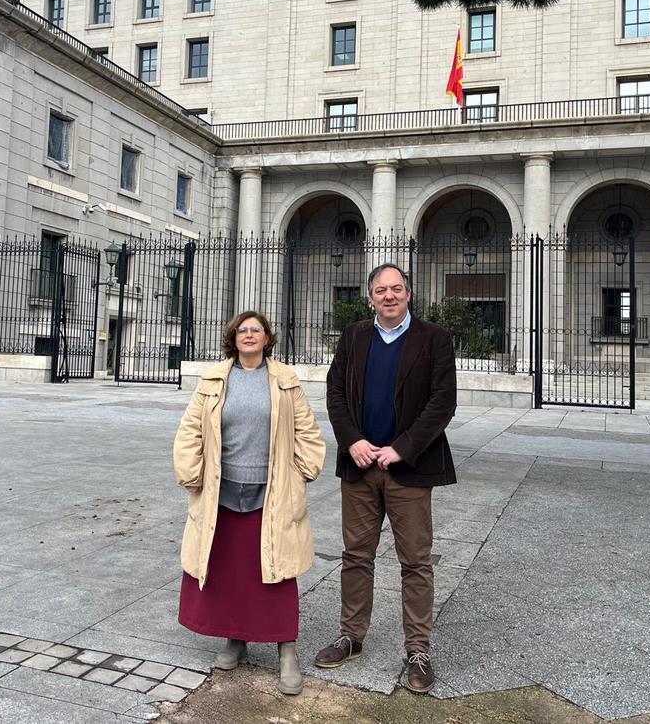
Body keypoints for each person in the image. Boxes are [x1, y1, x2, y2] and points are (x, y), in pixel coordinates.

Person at [313, 263, 457, 693]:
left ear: (409, 294)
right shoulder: (355, 336)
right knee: (356, 556)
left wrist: (403, 447)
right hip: (360, 467)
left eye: (396, 289)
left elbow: (442, 402)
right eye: (381, 290)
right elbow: (335, 392)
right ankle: (351, 636)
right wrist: (352, 440)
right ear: (371, 297)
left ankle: (418, 650)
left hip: (408, 469)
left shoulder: (434, 340)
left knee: (415, 561)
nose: (389, 296)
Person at [174, 310, 326, 696]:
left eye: (255, 329)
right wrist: (190, 470)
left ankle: (286, 650)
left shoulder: (285, 380)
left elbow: (307, 428)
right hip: (221, 492)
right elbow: (191, 428)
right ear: (233, 337)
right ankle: (235, 639)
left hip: (270, 491)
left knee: (275, 571)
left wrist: (304, 471)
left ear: (266, 337)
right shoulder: (213, 380)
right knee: (229, 571)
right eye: (242, 330)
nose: (249, 335)